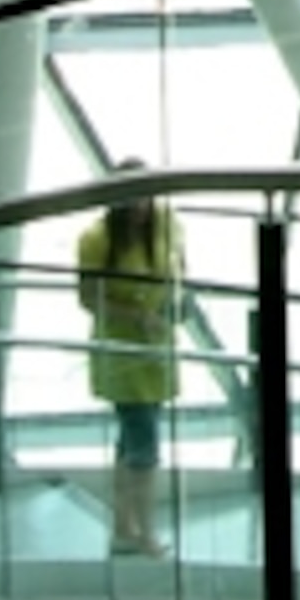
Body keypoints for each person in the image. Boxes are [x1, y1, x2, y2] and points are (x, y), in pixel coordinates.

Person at [77, 178, 184, 558]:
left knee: (132, 437)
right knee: (144, 441)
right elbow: (88, 297)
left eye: (145, 199)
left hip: (157, 347)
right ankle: (145, 533)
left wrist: (173, 305)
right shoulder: (97, 239)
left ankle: (124, 527)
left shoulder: (166, 222)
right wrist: (136, 316)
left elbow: (180, 263)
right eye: (132, 200)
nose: (140, 209)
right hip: (122, 352)